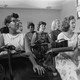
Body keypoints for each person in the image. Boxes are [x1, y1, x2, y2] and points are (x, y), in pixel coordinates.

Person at [0, 13, 45, 80]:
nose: (17, 23)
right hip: (7, 63)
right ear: (8, 24)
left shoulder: (23, 36)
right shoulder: (3, 36)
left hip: (21, 61)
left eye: (18, 21)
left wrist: (35, 64)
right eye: (14, 21)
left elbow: (28, 51)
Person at [56, 16, 80, 80]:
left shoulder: (76, 35)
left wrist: (75, 57)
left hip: (74, 57)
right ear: (67, 24)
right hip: (63, 58)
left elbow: (77, 48)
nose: (74, 24)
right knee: (72, 70)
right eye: (72, 23)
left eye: (75, 23)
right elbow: (61, 51)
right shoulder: (61, 35)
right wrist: (71, 57)